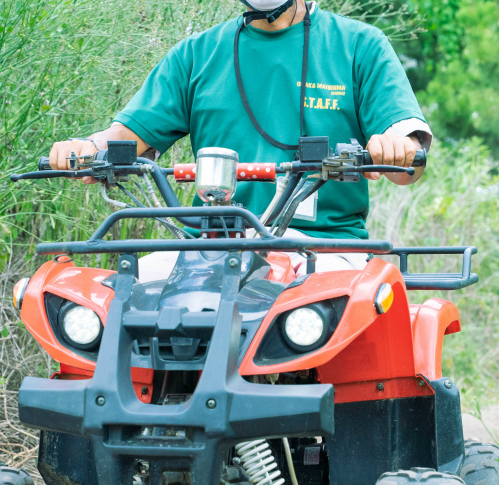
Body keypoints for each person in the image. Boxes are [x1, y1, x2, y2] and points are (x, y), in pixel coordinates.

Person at [48, 0, 431, 281]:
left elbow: (407, 155)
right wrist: (85, 148)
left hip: (325, 248)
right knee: (123, 295)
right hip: (208, 245)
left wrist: (397, 146)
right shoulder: (196, 55)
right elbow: (123, 139)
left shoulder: (359, 46)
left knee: (340, 319)